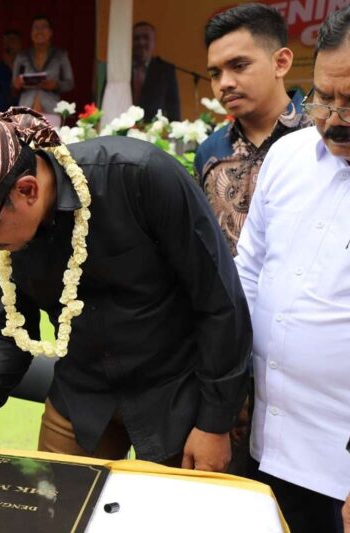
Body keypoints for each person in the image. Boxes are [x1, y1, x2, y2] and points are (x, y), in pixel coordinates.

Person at [0, 107, 252, 471]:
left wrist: (214, 424)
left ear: (27, 190)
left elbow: (220, 302)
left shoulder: (138, 176)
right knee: (51, 511)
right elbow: (9, 333)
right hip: (79, 395)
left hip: (179, 393)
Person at [235, 7, 350, 533]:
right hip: (270, 444)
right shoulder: (288, 157)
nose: (334, 117)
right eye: (323, 97)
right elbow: (249, 274)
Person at [196, 3, 311, 256]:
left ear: (280, 63)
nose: (224, 84)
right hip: (230, 296)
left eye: (239, 66)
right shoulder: (209, 153)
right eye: (215, 73)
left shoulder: (322, 137)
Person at [12, 16, 74, 117]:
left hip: (51, 108)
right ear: (31, 33)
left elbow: (70, 83)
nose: (39, 31)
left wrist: (55, 85)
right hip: (26, 108)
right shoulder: (22, 56)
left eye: (43, 27)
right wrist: (16, 83)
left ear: (50, 32)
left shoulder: (60, 55)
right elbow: (13, 85)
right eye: (36, 28)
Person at [132, 22, 180, 121]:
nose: (141, 42)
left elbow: (173, 107)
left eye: (146, 38)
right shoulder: (119, 71)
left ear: (153, 42)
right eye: (136, 38)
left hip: (153, 132)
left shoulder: (165, 70)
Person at [0, 30, 22, 112]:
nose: (8, 45)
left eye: (12, 41)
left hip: (20, 111)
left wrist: (12, 65)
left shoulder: (26, 65)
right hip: (1, 112)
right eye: (6, 42)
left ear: (19, 44)